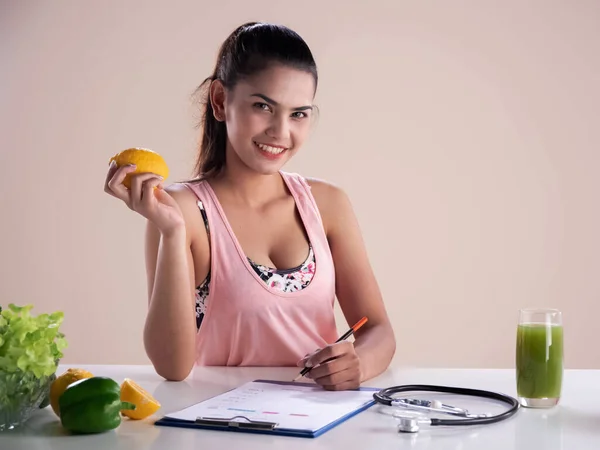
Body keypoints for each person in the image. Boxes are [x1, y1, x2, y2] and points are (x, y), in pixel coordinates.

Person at [104, 22, 396, 390]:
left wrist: (360, 364)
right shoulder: (183, 211)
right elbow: (172, 366)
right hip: (222, 428)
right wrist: (172, 232)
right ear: (220, 101)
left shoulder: (328, 204)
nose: (281, 132)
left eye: (298, 114)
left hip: (318, 426)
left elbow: (379, 331)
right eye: (263, 106)